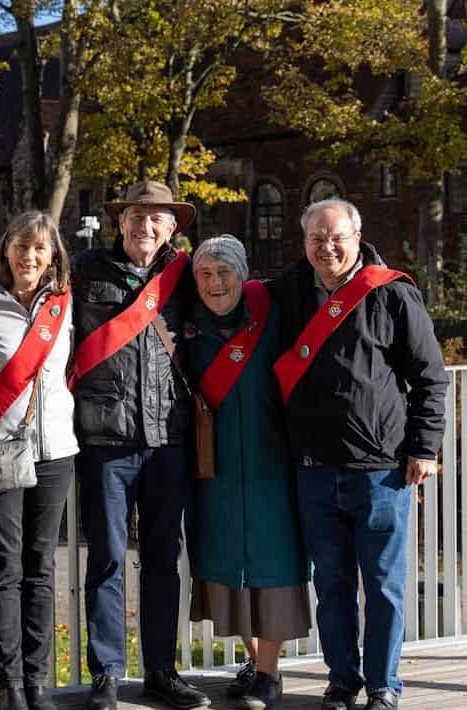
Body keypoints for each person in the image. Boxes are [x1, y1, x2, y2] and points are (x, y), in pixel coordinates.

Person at [272, 199, 448, 710]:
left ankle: (384, 686)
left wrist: (425, 447)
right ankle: (342, 681)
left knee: (385, 588)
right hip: (312, 469)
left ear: (357, 236)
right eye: (315, 239)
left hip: (382, 471)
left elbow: (430, 378)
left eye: (336, 237)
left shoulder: (391, 294)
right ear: (303, 242)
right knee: (331, 586)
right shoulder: (291, 292)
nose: (326, 247)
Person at [71, 180, 209, 710]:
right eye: (134, 215)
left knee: (161, 558)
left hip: (168, 438)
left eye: (156, 217)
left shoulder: (188, 278)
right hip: (105, 439)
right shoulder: (85, 272)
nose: (143, 226)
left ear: (173, 226)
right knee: (105, 557)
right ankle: (105, 672)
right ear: (119, 220)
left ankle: (160, 671)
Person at [0, 211, 78, 710]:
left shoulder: (66, 306)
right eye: (21, 247)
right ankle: (10, 686)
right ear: (6, 251)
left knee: (41, 567)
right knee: (4, 567)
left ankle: (38, 680)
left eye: (39, 249)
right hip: (2, 453)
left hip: (56, 453)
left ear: (53, 256)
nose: (29, 257)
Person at [183, 236, 310, 710]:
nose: (216, 283)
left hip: (270, 458)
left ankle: (271, 672)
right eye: (206, 275)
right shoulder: (189, 321)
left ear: (244, 273)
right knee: (223, 559)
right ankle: (255, 663)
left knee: (272, 561)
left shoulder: (274, 310)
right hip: (212, 463)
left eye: (225, 273)